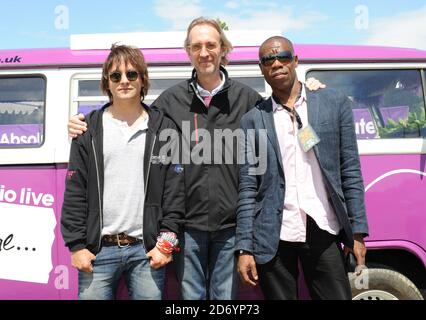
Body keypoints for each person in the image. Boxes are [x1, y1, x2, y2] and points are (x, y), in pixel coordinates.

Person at [67, 18, 324, 300]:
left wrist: (305, 91)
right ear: (188, 52)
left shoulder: (248, 99)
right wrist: (82, 123)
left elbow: (286, 119)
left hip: (231, 227)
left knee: (223, 300)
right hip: (186, 228)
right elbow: (128, 114)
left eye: (211, 45)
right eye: (197, 46)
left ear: (223, 49)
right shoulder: (169, 102)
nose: (204, 53)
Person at [236, 36, 369, 300]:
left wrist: (357, 231)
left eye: (283, 56)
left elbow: (350, 169)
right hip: (273, 232)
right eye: (267, 60)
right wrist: (244, 248)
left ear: (296, 60)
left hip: (323, 225)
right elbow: (248, 187)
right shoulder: (253, 120)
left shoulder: (333, 103)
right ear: (261, 69)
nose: (276, 63)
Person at [61, 44, 184, 300]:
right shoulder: (88, 130)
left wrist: (165, 244)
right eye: (116, 76)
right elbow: (75, 192)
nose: (124, 81)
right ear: (107, 82)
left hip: (146, 251)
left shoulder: (164, 128)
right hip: (97, 252)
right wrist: (76, 246)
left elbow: (174, 193)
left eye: (132, 74)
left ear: (142, 79)